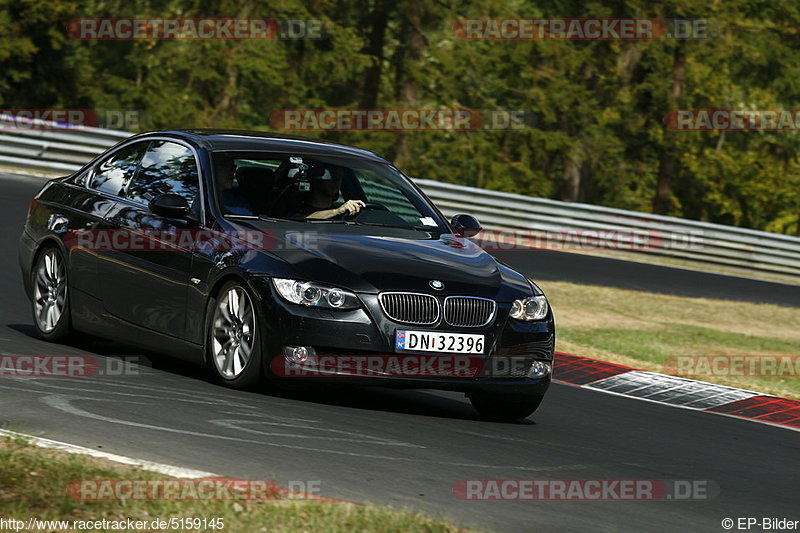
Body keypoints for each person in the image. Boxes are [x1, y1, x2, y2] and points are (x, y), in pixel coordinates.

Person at [296, 166, 365, 219]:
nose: (336, 181)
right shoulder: (299, 209)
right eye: (330, 176)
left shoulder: (347, 212)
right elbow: (303, 221)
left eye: (339, 177)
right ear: (316, 179)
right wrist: (336, 211)